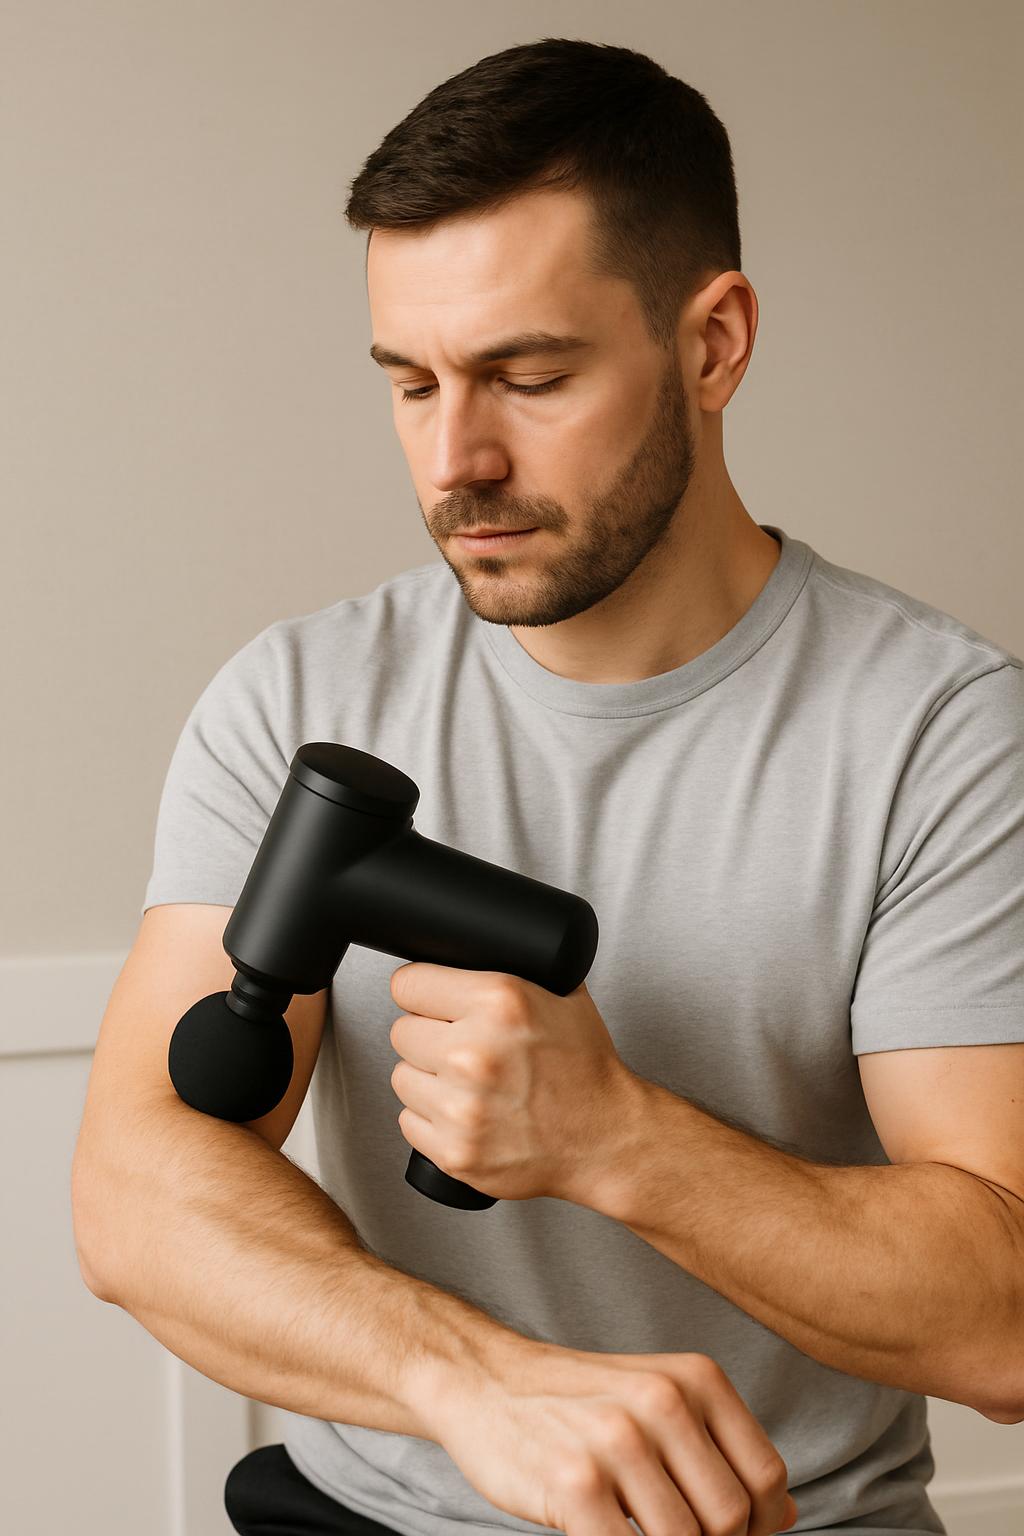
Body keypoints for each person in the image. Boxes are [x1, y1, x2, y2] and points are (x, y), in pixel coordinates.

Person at [73, 37, 1024, 1536]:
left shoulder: (940, 734)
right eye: (412, 383)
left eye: (530, 376)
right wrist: (474, 1383)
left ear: (713, 344)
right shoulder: (300, 702)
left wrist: (616, 1140)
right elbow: (138, 1190)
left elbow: (1007, 1317)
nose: (459, 459)